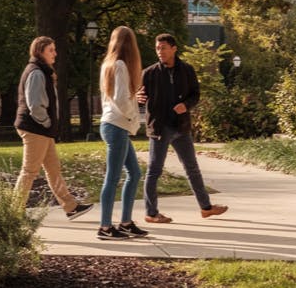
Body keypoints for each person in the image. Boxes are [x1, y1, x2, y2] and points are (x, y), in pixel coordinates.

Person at [141, 33, 227, 224]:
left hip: (181, 127)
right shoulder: (149, 73)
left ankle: (206, 208)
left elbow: (195, 94)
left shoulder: (187, 70)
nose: (160, 52)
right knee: (154, 171)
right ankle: (151, 212)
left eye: (163, 48)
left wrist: (186, 105)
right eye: (157, 48)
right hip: (160, 128)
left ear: (173, 49)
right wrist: (138, 97)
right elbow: (140, 95)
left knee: (192, 169)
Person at [14, 36, 94, 220]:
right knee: (29, 171)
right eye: (51, 50)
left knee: (53, 169)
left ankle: (70, 206)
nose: (55, 54)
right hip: (36, 128)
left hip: (41, 129)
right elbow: (35, 104)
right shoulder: (36, 72)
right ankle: (14, 211)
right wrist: (47, 122)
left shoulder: (41, 71)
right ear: (40, 51)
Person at [96, 26, 149, 240]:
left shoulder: (108, 64)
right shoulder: (119, 65)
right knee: (112, 178)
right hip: (117, 126)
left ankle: (125, 223)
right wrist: (135, 100)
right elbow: (120, 100)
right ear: (130, 44)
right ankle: (105, 227)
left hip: (114, 125)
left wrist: (133, 97)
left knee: (134, 173)